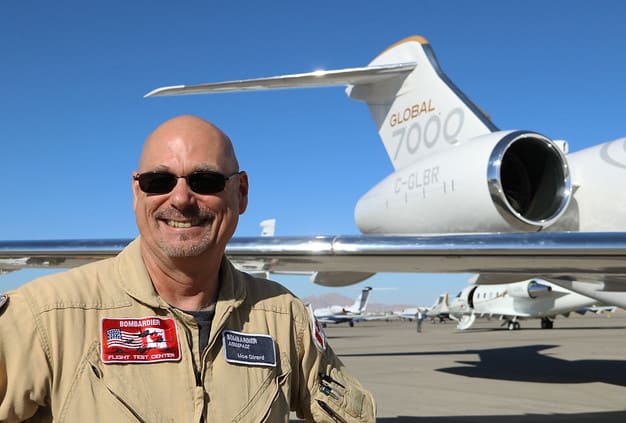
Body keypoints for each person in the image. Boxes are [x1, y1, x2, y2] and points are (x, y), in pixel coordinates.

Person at [0, 115, 376, 422]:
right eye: (158, 181)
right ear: (137, 193)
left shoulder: (282, 317)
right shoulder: (47, 316)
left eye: (205, 180)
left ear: (241, 193)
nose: (180, 198)